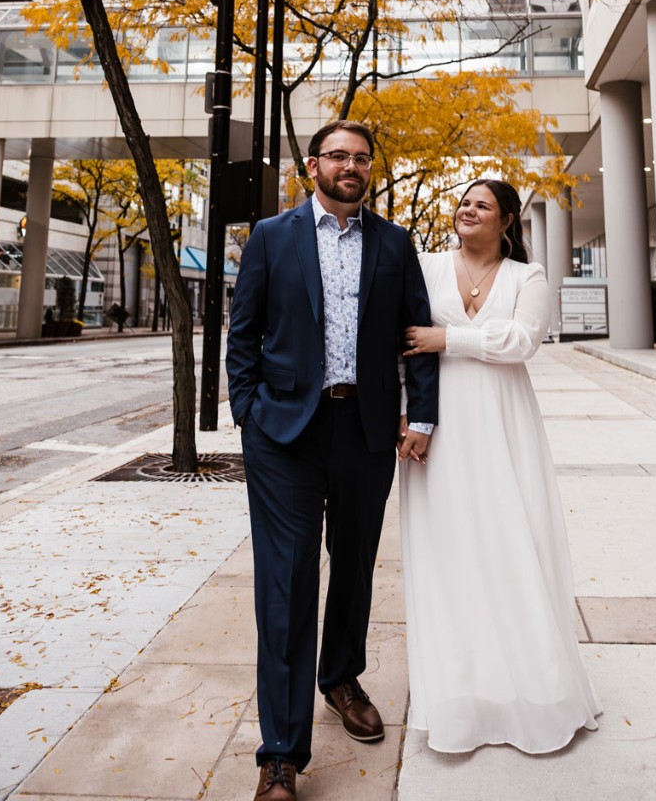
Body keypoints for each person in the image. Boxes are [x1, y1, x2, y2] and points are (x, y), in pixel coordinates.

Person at [227, 120, 439, 801]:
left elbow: (416, 336)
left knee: (352, 566)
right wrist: (247, 414)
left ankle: (341, 678)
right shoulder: (271, 237)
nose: (351, 166)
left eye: (361, 158)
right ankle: (281, 753)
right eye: (339, 156)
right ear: (312, 165)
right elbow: (245, 332)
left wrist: (422, 415)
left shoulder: (394, 243)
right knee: (286, 585)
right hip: (284, 433)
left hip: (367, 429)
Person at [400, 178, 601, 755]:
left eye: (481, 205)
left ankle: (533, 688)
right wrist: (408, 417)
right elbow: (402, 341)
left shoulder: (526, 278)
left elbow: (522, 340)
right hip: (436, 425)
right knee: (448, 554)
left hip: (504, 422)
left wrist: (447, 338)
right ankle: (459, 694)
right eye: (462, 201)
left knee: (512, 542)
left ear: (507, 220)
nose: (466, 209)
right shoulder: (427, 265)